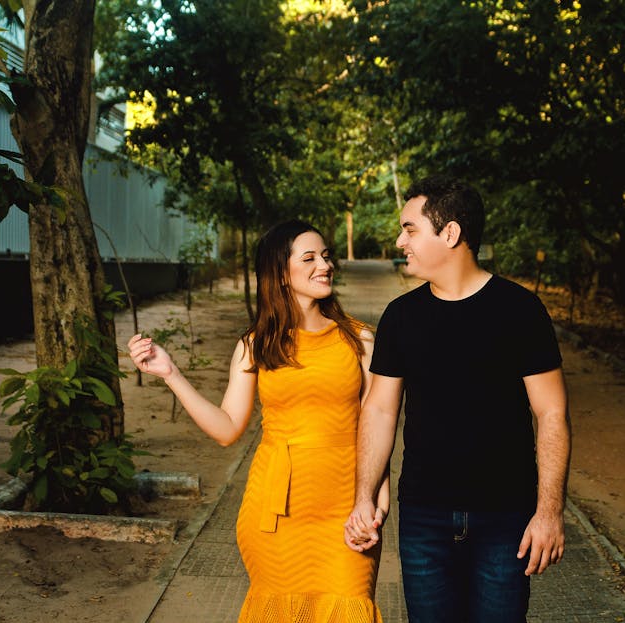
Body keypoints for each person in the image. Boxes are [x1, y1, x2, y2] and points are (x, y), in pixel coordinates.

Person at [129, 220, 386, 622]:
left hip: (347, 511)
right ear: (280, 273)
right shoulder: (256, 345)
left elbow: (377, 427)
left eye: (325, 256)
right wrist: (171, 374)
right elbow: (227, 428)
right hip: (275, 514)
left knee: (350, 607)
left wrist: (376, 505)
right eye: (309, 258)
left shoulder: (360, 340)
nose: (325, 265)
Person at [344, 176, 571, 623]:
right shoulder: (401, 317)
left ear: (449, 233)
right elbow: (379, 410)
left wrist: (549, 513)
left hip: (505, 517)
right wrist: (363, 497)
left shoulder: (521, 311)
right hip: (423, 515)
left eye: (410, 229)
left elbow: (552, 413)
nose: (400, 241)